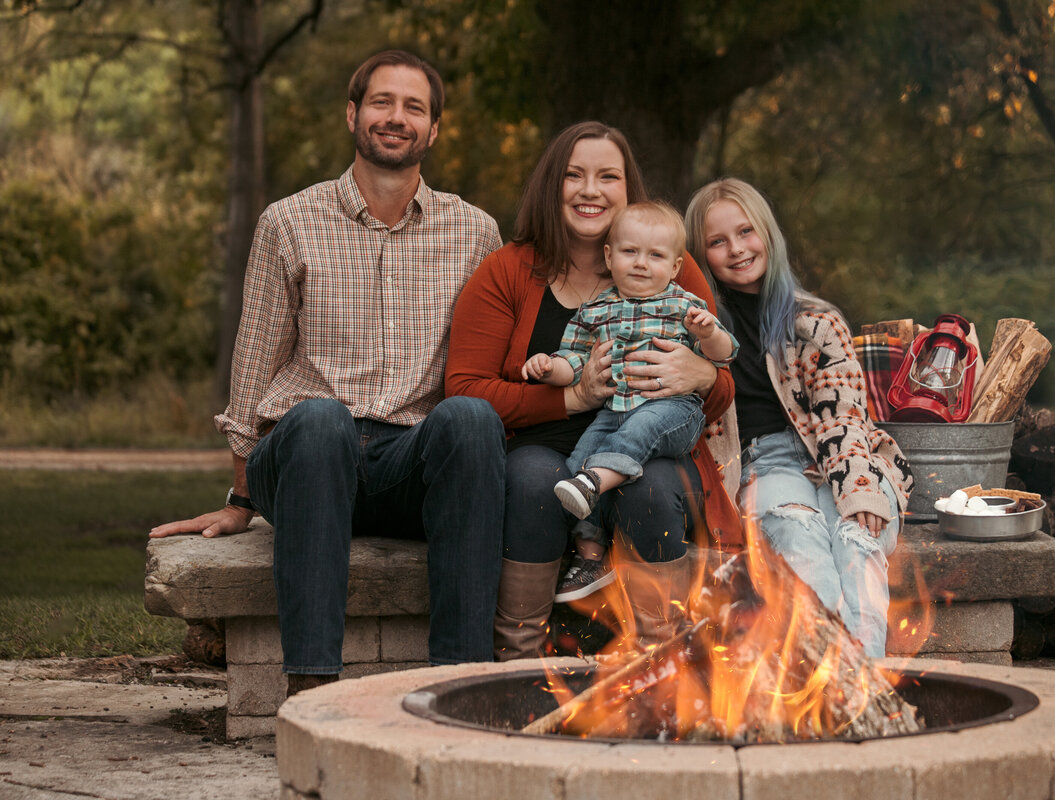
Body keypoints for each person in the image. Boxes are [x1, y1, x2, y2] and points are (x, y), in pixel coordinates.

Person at [149, 50, 506, 694]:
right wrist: (241, 496)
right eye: (381, 102)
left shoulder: (475, 231)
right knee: (319, 419)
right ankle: (311, 689)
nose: (396, 118)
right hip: (304, 455)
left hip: (407, 464)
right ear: (352, 114)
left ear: (434, 129)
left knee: (473, 418)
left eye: (414, 108)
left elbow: (487, 363)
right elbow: (257, 355)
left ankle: (461, 683)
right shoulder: (290, 221)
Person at [446, 122, 742, 660]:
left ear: (629, 189)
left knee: (650, 485)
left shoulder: (671, 266)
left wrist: (701, 376)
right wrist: (571, 397)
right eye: (574, 175)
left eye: (608, 176)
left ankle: (663, 665)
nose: (590, 190)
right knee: (534, 478)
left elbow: (721, 381)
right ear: (550, 186)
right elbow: (465, 389)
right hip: (545, 443)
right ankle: (521, 663)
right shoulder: (508, 270)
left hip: (654, 440)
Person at [683, 178, 914, 658]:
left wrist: (856, 488)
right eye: (717, 241)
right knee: (799, 537)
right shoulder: (697, 330)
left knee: (856, 538)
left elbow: (844, 416)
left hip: (841, 457)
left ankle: (863, 681)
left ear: (767, 233)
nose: (737, 249)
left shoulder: (816, 322)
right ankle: (836, 678)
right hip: (765, 464)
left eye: (746, 231)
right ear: (700, 254)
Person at [521, 202, 737, 598]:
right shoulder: (596, 310)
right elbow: (574, 359)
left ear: (674, 267)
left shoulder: (684, 305)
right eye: (629, 252)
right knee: (576, 466)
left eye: (655, 256)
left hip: (674, 411)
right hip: (613, 411)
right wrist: (550, 368)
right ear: (609, 256)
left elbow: (725, 355)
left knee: (637, 432)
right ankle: (590, 556)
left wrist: (707, 334)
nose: (641, 263)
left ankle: (599, 478)